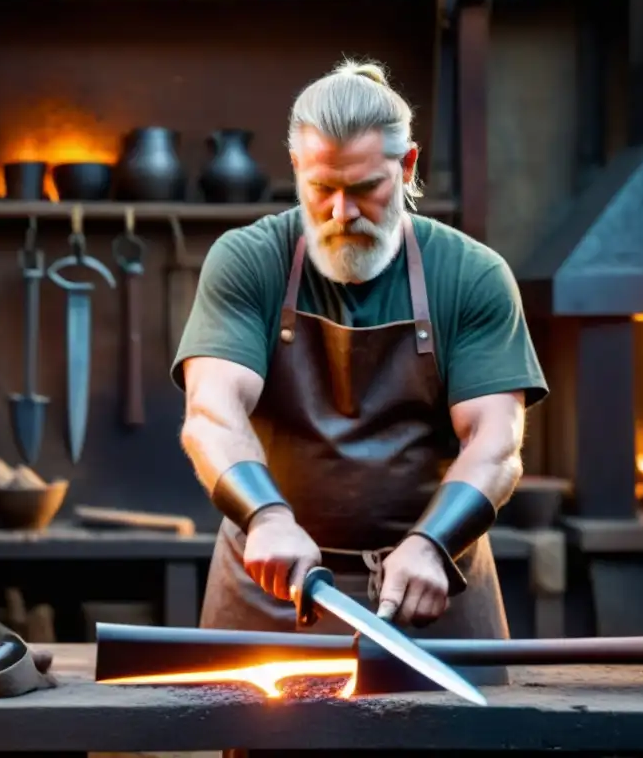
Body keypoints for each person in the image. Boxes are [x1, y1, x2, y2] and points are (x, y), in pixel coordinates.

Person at [172, 60, 548, 689]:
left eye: (366, 187)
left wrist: (433, 542)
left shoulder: (473, 275)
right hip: (272, 587)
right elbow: (212, 414)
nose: (342, 211)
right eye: (322, 187)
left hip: (433, 585)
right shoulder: (248, 261)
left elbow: (496, 443)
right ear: (296, 169)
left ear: (406, 167)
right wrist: (265, 516)